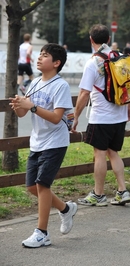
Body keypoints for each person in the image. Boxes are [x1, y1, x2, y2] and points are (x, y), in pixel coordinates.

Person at [9, 43, 77, 248]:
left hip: (55, 142)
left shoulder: (60, 86)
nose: (39, 58)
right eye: (39, 55)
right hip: (37, 141)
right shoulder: (35, 82)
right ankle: (66, 209)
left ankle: (42, 233)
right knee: (32, 186)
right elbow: (24, 113)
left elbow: (57, 118)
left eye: (44, 56)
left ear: (56, 63)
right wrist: (18, 106)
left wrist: (32, 106)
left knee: (42, 184)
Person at [72, 24, 130, 207]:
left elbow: (84, 93)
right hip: (119, 116)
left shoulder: (93, 62)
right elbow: (128, 85)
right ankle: (123, 191)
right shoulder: (120, 57)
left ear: (91, 40)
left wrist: (75, 116)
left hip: (101, 117)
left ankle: (98, 194)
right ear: (108, 39)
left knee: (99, 153)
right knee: (113, 152)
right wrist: (128, 109)